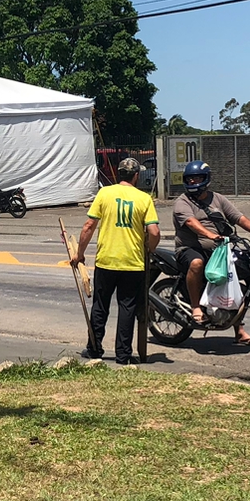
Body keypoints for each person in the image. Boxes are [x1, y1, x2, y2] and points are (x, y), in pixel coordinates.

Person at [69, 156, 160, 364]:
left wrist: (79, 253)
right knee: (127, 307)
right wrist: (149, 248)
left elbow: (88, 226)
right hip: (133, 262)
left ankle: (94, 348)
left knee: (100, 306)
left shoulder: (104, 193)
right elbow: (154, 231)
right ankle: (123, 354)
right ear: (136, 176)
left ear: (120, 174)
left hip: (106, 260)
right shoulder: (143, 199)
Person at [172, 160, 250, 344]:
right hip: (189, 249)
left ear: (206, 179)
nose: (193, 182)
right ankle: (196, 307)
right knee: (196, 263)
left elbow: (238, 217)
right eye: (189, 179)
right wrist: (211, 235)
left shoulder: (218, 199)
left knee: (239, 281)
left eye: (197, 178)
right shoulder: (182, 202)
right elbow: (191, 222)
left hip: (218, 251)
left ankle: (238, 330)